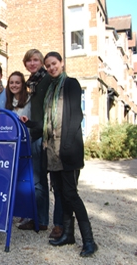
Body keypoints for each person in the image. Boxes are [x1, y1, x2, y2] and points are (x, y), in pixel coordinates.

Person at [43, 51, 98, 257]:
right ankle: (68, 234)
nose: (51, 68)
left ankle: (90, 241)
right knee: (61, 195)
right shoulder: (50, 89)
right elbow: (47, 121)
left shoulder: (71, 84)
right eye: (48, 65)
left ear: (61, 63)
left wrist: (65, 147)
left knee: (71, 195)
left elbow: (76, 116)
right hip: (52, 151)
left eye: (54, 63)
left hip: (67, 150)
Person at [17, 49, 52, 232]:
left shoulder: (45, 80)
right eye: (28, 60)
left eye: (35, 60)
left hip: (40, 136)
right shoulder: (35, 83)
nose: (32, 63)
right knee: (37, 180)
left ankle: (41, 220)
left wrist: (35, 125)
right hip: (35, 133)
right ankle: (39, 218)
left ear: (41, 62)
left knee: (38, 181)